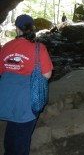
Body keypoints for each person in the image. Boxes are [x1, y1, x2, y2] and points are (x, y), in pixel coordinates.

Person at [0, 14, 53, 155]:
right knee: (21, 140)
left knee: (10, 136)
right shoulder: (38, 48)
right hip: (26, 102)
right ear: (32, 28)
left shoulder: (6, 46)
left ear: (17, 29)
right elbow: (47, 75)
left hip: (6, 100)